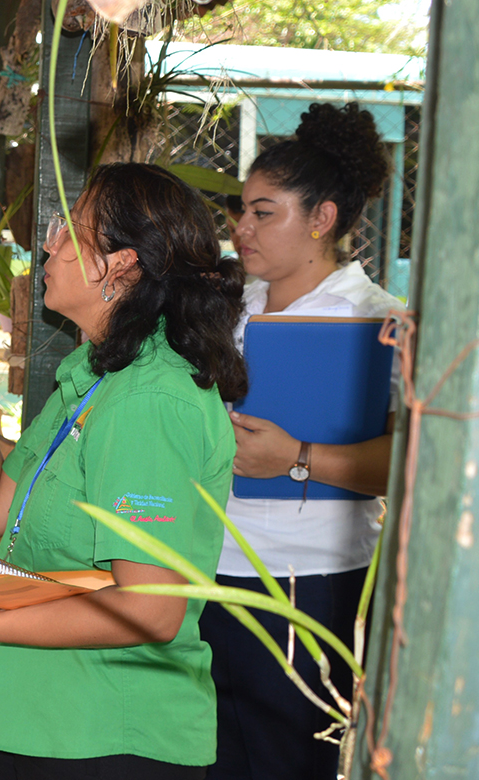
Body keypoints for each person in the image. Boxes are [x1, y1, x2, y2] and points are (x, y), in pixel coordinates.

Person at [0, 163, 248, 780]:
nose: (48, 245)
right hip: (40, 717)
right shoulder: (95, 375)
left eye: (68, 229)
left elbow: (152, 609)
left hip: (106, 736)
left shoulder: (148, 399)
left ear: (121, 265)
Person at [202, 102, 398, 780]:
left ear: (322, 218)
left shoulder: (378, 321)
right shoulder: (229, 308)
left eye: (264, 212)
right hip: (207, 565)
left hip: (309, 581)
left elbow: (408, 464)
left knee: (288, 759)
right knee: (210, 756)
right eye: (242, 210)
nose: (242, 228)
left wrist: (297, 458)